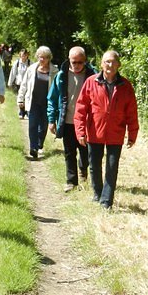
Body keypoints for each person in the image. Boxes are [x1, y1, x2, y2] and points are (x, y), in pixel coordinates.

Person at [74, 50, 139, 209]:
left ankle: (106, 201)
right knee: (94, 165)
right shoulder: (91, 82)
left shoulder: (126, 86)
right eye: (107, 61)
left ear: (118, 65)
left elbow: (131, 112)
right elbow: (81, 108)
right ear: (101, 64)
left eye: (113, 61)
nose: (110, 65)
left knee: (112, 167)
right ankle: (97, 193)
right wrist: (80, 131)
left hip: (116, 133)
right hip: (95, 131)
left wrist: (132, 134)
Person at [48, 47, 97, 192]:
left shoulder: (93, 76)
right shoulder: (61, 75)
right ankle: (71, 181)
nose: (76, 65)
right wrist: (51, 120)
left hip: (86, 121)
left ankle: (83, 170)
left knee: (86, 152)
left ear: (85, 61)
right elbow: (52, 98)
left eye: (80, 62)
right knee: (69, 152)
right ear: (69, 60)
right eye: (74, 62)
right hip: (67, 120)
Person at [17, 46, 58, 159]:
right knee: (32, 125)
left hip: (47, 103)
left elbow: (58, 89)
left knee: (43, 127)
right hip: (33, 101)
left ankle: (40, 144)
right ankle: (33, 147)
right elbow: (24, 85)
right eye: (40, 57)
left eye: (44, 57)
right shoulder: (31, 69)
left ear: (49, 58)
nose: (42, 60)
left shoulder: (54, 71)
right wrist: (20, 99)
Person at [8, 48, 31, 118]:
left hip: (28, 83)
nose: (23, 57)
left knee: (27, 97)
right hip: (19, 83)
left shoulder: (30, 63)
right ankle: (21, 112)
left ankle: (27, 112)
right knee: (20, 97)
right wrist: (10, 82)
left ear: (27, 55)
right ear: (20, 56)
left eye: (25, 55)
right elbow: (13, 73)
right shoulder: (17, 63)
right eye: (22, 55)